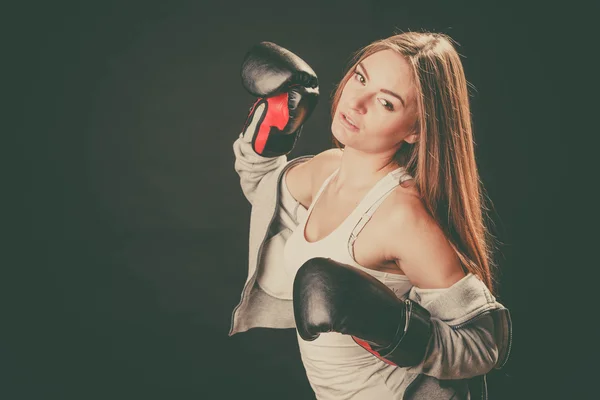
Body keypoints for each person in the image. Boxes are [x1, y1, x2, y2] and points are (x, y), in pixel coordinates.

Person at [229, 33, 512, 399]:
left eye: (386, 103)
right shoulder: (328, 169)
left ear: (415, 130)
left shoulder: (400, 215)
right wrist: (272, 126)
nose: (356, 102)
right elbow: (266, 194)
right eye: (361, 78)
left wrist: (396, 329)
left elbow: (482, 346)